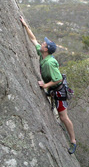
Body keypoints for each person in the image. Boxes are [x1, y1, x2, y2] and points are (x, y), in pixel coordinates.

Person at [20, 16, 76, 154]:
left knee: (63, 117)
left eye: (44, 44)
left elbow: (57, 79)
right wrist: (25, 25)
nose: (42, 44)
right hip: (53, 89)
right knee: (60, 115)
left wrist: (45, 86)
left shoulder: (50, 62)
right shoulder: (43, 54)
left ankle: (73, 141)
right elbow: (33, 40)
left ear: (46, 49)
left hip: (59, 91)